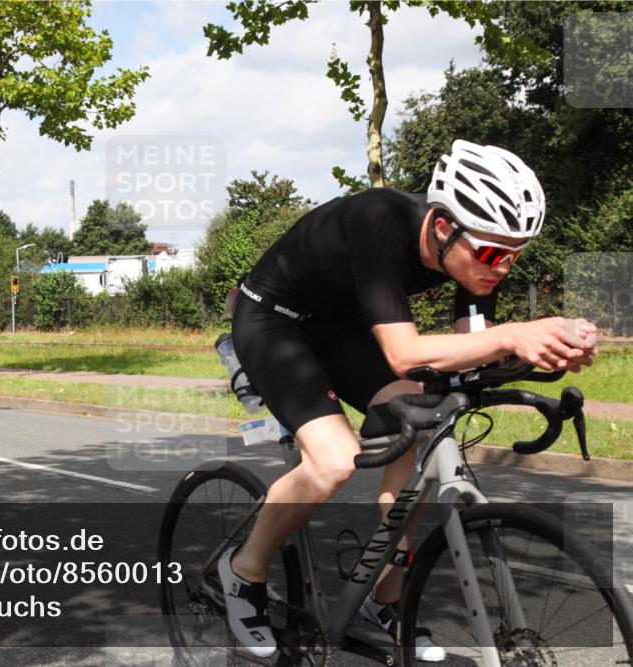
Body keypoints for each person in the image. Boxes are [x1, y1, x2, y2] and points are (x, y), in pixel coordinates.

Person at [220, 140, 598, 661]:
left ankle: (385, 595)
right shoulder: (380, 219)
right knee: (332, 463)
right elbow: (404, 353)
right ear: (443, 226)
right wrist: (514, 333)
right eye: (493, 253)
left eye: (515, 254)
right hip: (273, 320)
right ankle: (244, 570)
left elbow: (471, 353)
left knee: (420, 429)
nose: (503, 268)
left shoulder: (475, 257)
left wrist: (545, 352)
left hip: (343, 327)